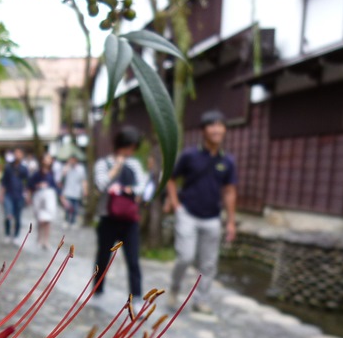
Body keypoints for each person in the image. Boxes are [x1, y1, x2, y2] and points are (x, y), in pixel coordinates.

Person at [165, 109, 238, 314]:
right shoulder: (190, 155)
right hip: (188, 213)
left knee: (208, 264)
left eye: (220, 125)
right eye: (212, 125)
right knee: (185, 257)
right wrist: (176, 204)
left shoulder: (228, 161)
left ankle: (201, 300)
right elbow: (171, 178)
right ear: (204, 130)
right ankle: (174, 288)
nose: (217, 130)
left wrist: (231, 221)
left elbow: (230, 191)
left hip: (212, 218)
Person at [93, 126, 148, 299]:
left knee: (133, 260)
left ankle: (137, 297)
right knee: (103, 257)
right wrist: (115, 170)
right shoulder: (104, 164)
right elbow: (101, 185)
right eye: (129, 146)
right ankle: (97, 289)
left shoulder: (135, 164)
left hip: (129, 219)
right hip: (108, 218)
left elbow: (142, 187)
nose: (130, 151)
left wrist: (124, 190)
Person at [28, 153, 60, 249]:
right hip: (39, 198)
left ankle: (45, 240)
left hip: (49, 198)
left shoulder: (52, 173)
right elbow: (31, 185)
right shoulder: (37, 173)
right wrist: (37, 187)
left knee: (47, 220)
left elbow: (55, 185)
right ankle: (40, 238)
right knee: (40, 220)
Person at [0, 148, 29, 244]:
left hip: (19, 195)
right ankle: (7, 234)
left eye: (20, 153)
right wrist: (1, 195)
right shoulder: (8, 167)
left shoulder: (24, 169)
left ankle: (16, 235)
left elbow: (27, 183)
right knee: (8, 215)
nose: (18, 155)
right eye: (16, 153)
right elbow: (4, 182)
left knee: (18, 217)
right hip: (9, 194)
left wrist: (27, 195)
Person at [60, 153, 87, 226]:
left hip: (77, 191)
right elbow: (62, 178)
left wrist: (85, 190)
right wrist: (67, 167)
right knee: (67, 207)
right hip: (67, 191)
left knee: (75, 208)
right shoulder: (67, 168)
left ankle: (73, 221)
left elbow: (83, 180)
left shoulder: (81, 168)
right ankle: (66, 220)